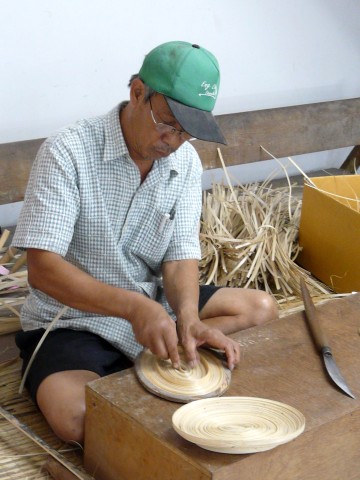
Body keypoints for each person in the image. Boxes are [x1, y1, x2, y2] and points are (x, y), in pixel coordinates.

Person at [13, 41, 278, 444]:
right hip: (72, 319)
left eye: (188, 131)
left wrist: (187, 315)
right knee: (79, 420)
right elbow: (43, 269)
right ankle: (153, 361)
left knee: (261, 307)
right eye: (169, 123)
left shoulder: (184, 162)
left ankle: (163, 350)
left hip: (154, 303)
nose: (174, 140)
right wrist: (136, 309)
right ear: (138, 92)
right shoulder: (68, 151)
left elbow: (179, 255)